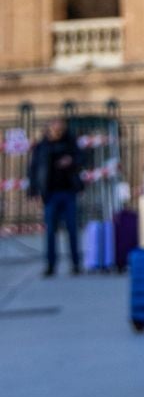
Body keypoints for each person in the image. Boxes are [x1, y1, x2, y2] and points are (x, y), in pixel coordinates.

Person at [28, 117, 83, 277]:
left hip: (68, 192)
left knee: (72, 230)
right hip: (49, 194)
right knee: (50, 231)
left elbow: (82, 159)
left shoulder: (70, 143)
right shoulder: (42, 146)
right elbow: (33, 170)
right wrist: (34, 191)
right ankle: (51, 265)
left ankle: (75, 264)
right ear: (49, 128)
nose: (58, 130)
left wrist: (71, 161)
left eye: (60, 127)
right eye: (55, 127)